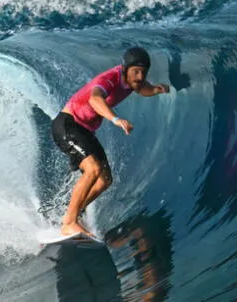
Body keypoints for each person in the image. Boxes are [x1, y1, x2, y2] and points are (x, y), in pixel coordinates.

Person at [51, 47, 170, 237]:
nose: (140, 77)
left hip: (85, 131)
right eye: (136, 72)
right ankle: (69, 222)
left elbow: (142, 88)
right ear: (125, 69)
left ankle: (74, 213)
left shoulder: (133, 81)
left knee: (105, 180)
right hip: (68, 125)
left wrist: (156, 89)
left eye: (143, 72)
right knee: (93, 169)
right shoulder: (109, 79)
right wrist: (116, 119)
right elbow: (95, 99)